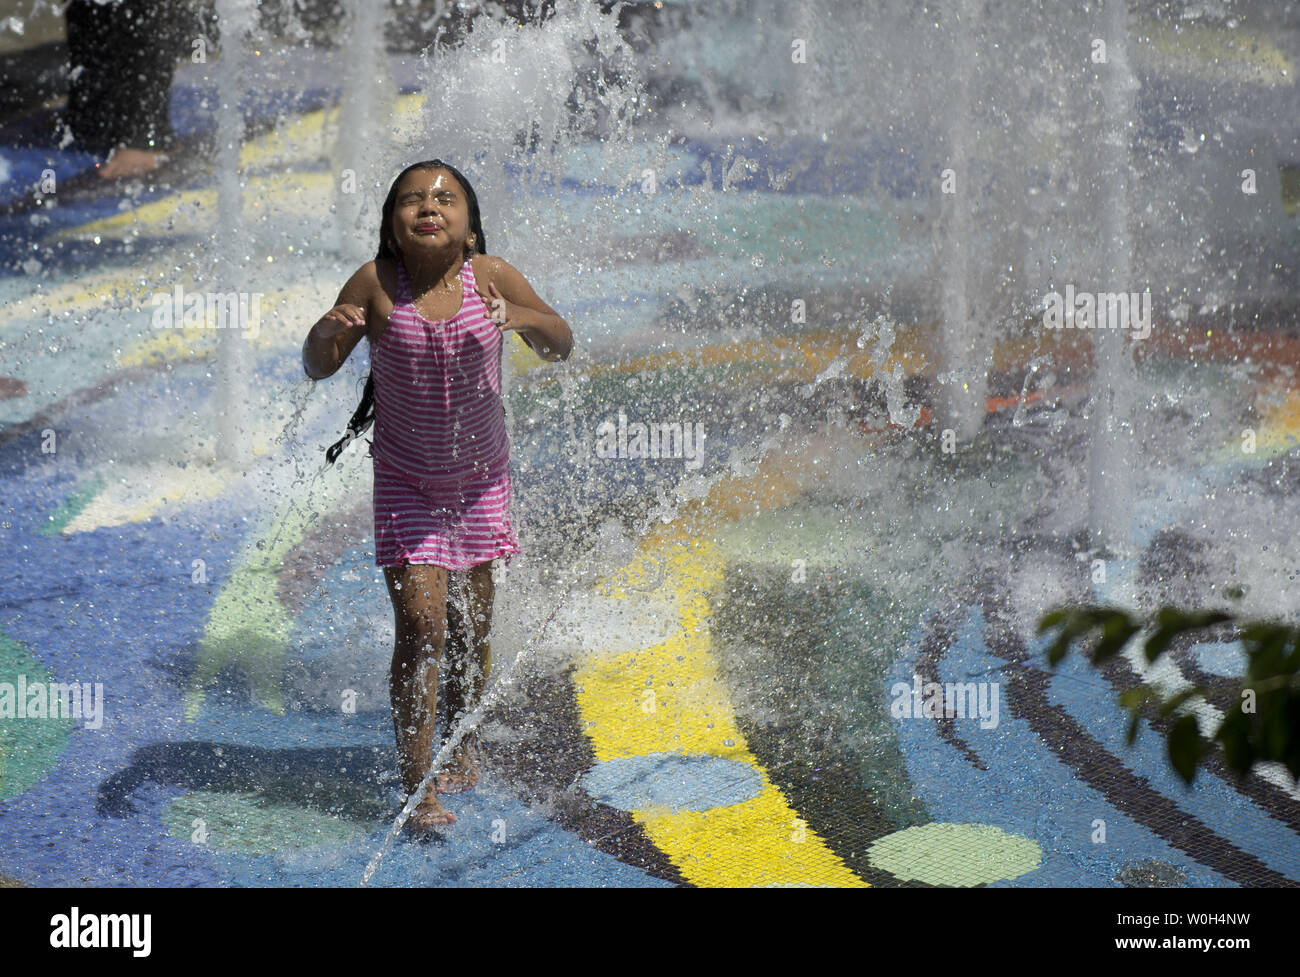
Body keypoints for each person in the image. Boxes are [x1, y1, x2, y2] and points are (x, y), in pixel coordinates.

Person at [302, 159, 572, 833]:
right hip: (407, 482)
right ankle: (416, 787)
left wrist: (525, 318)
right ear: (392, 229)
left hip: (481, 482)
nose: (429, 205)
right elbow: (318, 363)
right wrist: (329, 331)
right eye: (412, 199)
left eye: (445, 198)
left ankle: (461, 734)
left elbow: (560, 342)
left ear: (470, 229)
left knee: (469, 627)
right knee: (421, 624)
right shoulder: (376, 283)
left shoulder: (493, 276)